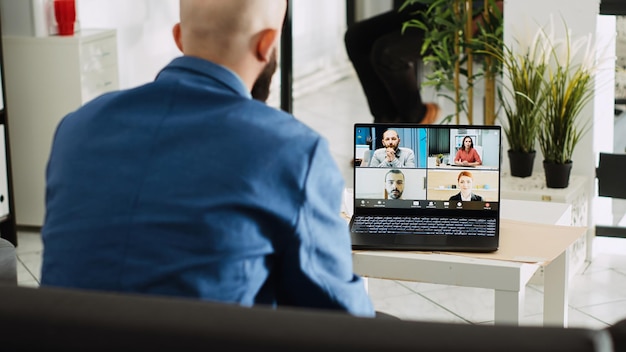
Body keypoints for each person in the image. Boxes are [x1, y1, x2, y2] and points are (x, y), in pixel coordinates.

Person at [40, 0, 374, 318]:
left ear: (179, 38)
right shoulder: (294, 150)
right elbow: (343, 317)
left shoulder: (77, 127)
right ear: (267, 44)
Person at [344, 2, 440, 124]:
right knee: (356, 38)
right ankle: (385, 121)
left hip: (460, 20)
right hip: (433, 7)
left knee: (387, 53)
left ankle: (416, 118)